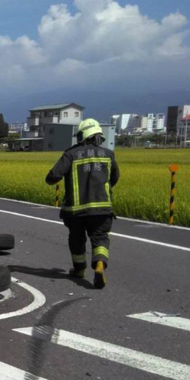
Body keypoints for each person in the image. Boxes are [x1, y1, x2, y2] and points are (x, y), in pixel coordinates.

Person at [46, 118, 120, 289]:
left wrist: (54, 180)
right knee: (100, 238)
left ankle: (79, 270)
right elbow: (114, 177)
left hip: (76, 211)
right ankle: (100, 264)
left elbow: (53, 176)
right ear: (98, 136)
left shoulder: (71, 154)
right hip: (102, 209)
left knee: (77, 239)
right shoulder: (109, 155)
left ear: (82, 135)